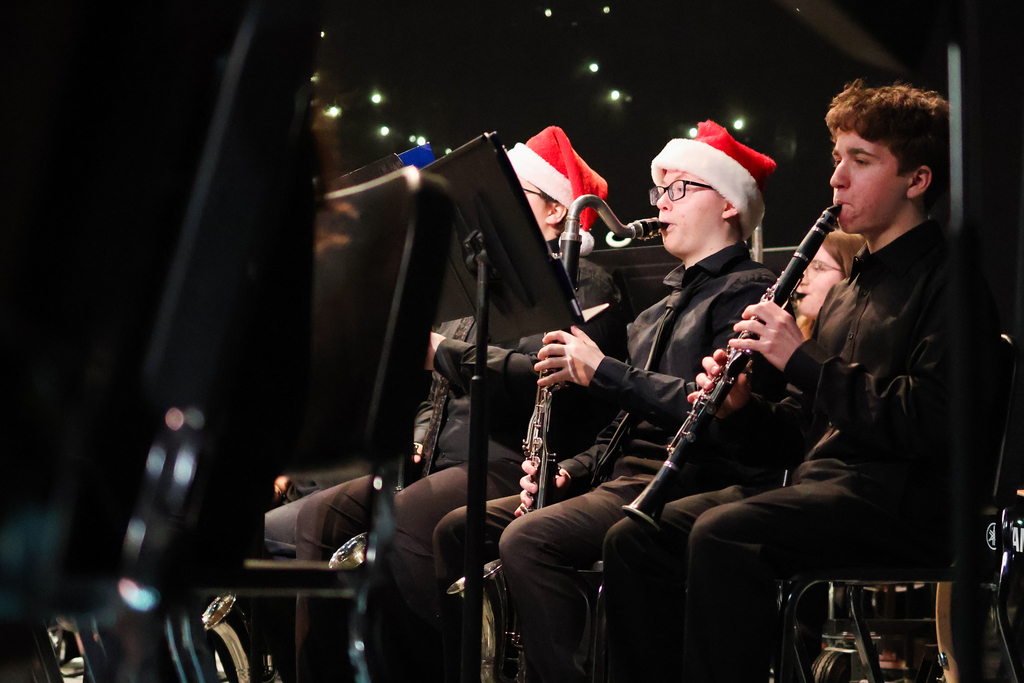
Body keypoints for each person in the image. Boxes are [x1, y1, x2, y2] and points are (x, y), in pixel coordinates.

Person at [601, 79, 1002, 683]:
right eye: (837, 159)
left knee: (725, 535)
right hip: (826, 489)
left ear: (917, 180)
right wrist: (739, 410)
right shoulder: (846, 293)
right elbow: (795, 435)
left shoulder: (951, 283)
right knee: (637, 537)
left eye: (860, 161)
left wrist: (803, 360)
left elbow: (927, 420)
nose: (836, 178)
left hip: (906, 501)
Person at [433, 120, 785, 683]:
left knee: (529, 541)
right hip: (625, 478)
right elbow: (624, 424)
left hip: (691, 479)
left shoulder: (749, 291)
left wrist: (602, 370)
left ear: (728, 204)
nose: (661, 203)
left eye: (679, 189)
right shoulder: (656, 311)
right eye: (659, 190)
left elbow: (708, 408)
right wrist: (571, 472)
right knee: (460, 528)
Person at [291, 126, 629, 683]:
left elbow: (539, 379)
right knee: (319, 516)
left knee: (402, 527)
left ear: (555, 213)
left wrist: (441, 352)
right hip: (442, 458)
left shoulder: (585, 282)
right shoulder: (478, 282)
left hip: (506, 459)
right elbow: (438, 389)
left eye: (518, 194)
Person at [793, 231, 864, 338]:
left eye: (817, 268)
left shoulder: (861, 337)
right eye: (802, 268)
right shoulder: (799, 331)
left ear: (850, 275)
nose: (803, 280)